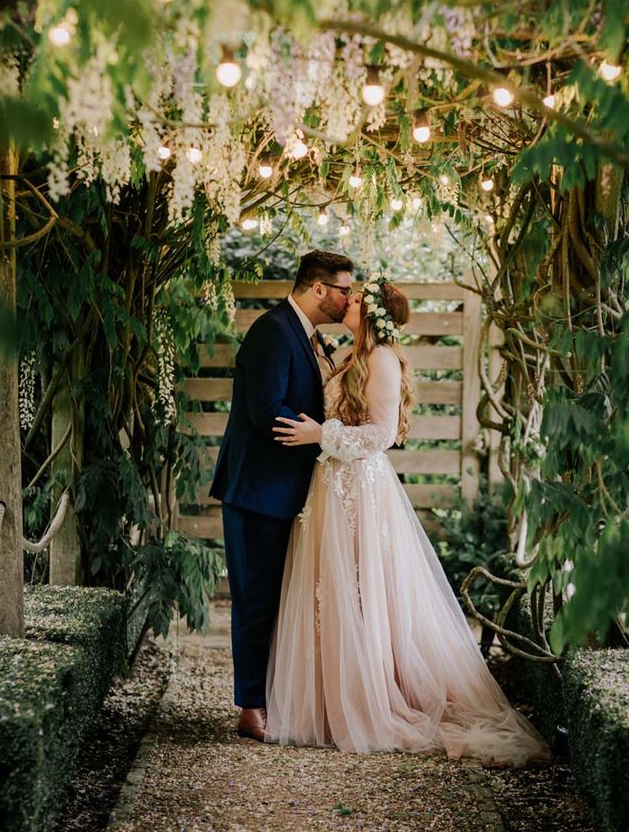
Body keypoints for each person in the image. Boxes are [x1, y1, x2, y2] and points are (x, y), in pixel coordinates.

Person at [269, 276, 550, 767]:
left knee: (365, 590)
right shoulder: (352, 355)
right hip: (332, 487)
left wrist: (321, 433)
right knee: (335, 591)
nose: (346, 302)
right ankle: (335, 698)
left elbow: (380, 434)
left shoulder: (381, 360)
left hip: (360, 486)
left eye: (355, 300)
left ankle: (374, 697)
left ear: (371, 313)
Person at [210, 249, 354, 742]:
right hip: (257, 491)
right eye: (343, 290)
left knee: (281, 599)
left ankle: (272, 695)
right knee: (255, 599)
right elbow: (266, 411)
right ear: (318, 289)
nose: (348, 299)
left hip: (290, 492)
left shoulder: (309, 336)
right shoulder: (273, 331)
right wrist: (326, 437)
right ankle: (250, 706)